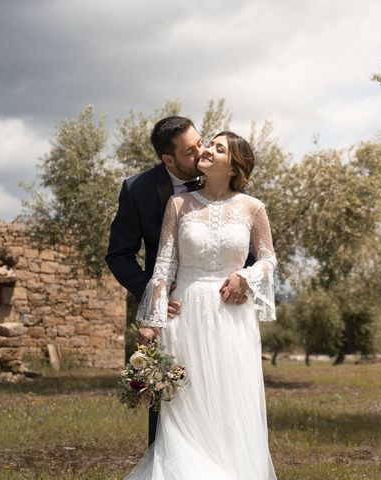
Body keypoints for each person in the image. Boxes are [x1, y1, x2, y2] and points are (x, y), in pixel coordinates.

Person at [125, 131, 277, 479]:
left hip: (231, 317)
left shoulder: (253, 208)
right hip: (186, 313)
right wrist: (153, 320)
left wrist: (246, 277)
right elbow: (163, 265)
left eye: (218, 148)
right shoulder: (179, 205)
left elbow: (268, 259)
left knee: (229, 402)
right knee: (187, 406)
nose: (206, 150)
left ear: (234, 165)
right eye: (209, 143)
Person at [106, 117, 250, 447]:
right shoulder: (138, 190)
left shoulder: (223, 176)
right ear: (167, 160)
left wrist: (244, 278)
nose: (201, 152)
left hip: (223, 313)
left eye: (201, 142)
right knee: (173, 395)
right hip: (171, 313)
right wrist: (153, 298)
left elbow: (250, 246)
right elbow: (119, 255)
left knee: (222, 393)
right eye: (190, 151)